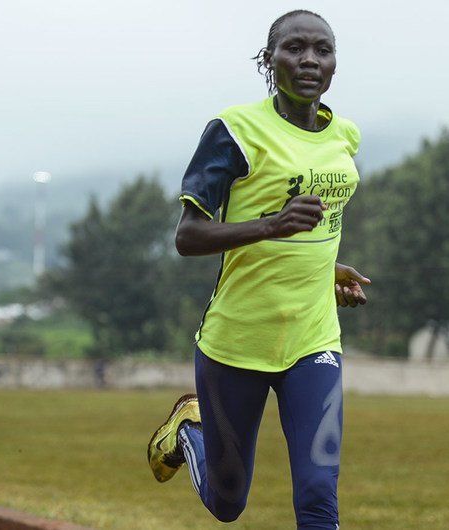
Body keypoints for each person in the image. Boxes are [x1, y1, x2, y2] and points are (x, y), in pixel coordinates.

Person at [146, 10, 369, 529]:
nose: (309, 60)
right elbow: (187, 237)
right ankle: (187, 429)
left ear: (335, 63)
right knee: (228, 504)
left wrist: (329, 270)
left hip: (313, 342)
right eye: (294, 48)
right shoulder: (234, 131)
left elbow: (319, 229)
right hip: (236, 345)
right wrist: (271, 226)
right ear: (270, 61)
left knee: (318, 495)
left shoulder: (346, 138)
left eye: (322, 50)